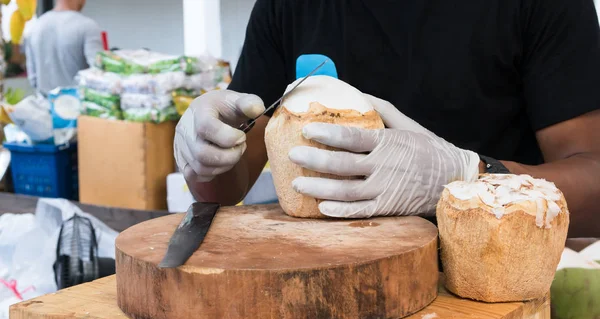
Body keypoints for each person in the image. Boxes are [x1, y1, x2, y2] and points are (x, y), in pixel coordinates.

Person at [175, 0, 600, 238]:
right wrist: (203, 152)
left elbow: (593, 183)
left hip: (484, 278)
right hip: (321, 277)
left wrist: (472, 177)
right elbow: (225, 185)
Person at [24, 0, 103, 95]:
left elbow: (33, 79)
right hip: (78, 106)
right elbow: (99, 74)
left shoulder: (35, 27)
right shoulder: (88, 26)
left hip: (44, 105)